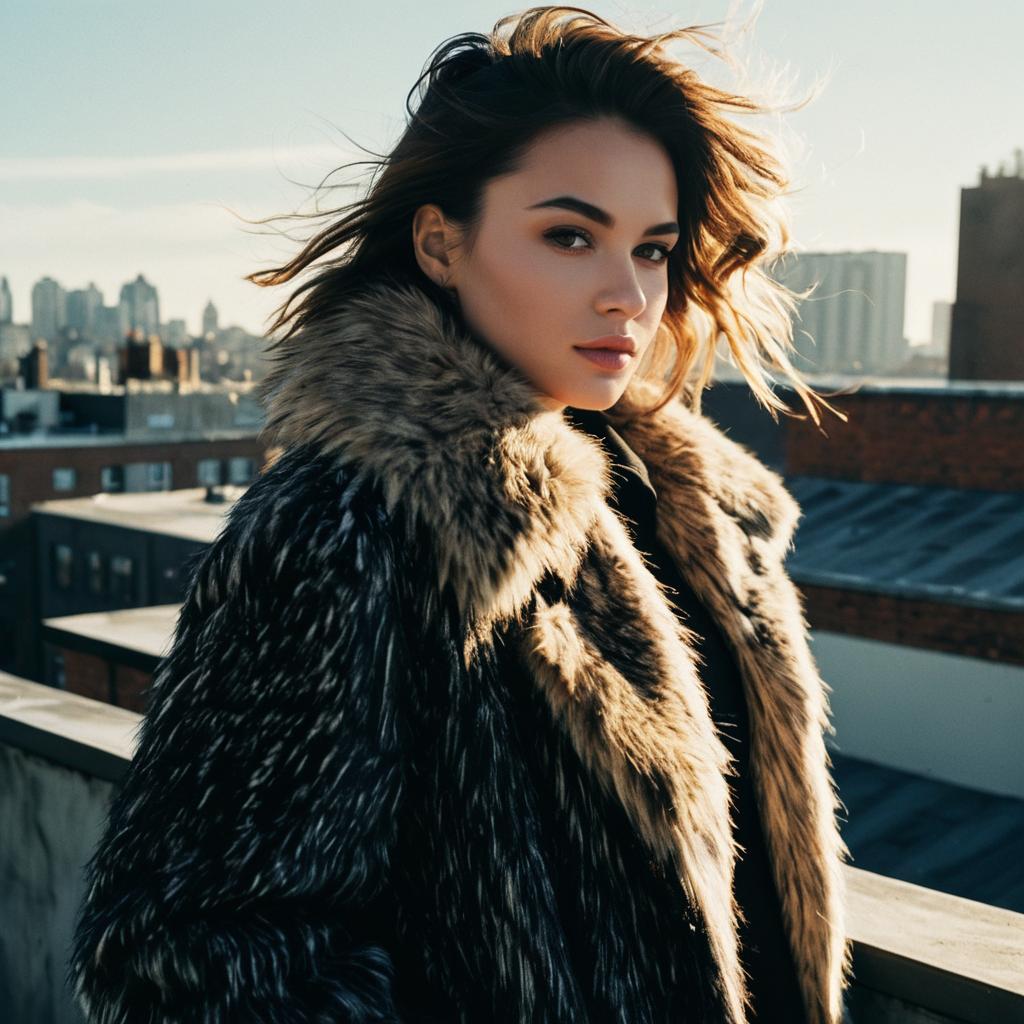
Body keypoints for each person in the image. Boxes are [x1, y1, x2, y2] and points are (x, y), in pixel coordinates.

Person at [68, 6, 855, 1023]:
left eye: (653, 249)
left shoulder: (693, 517)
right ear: (441, 244)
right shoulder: (345, 529)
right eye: (569, 236)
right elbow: (179, 956)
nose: (627, 293)